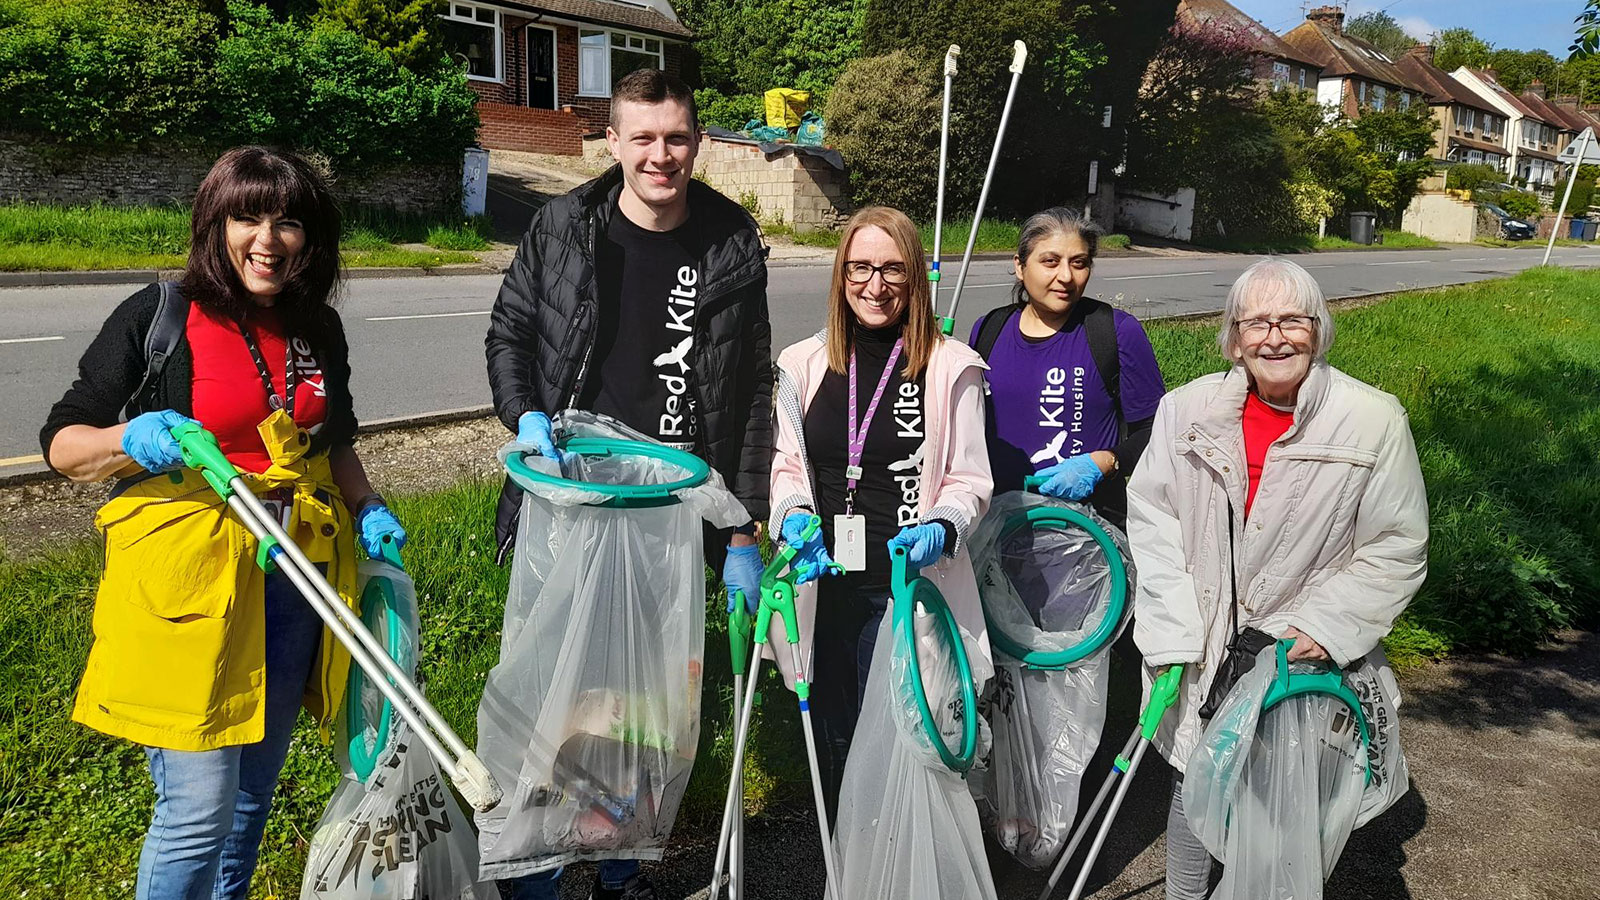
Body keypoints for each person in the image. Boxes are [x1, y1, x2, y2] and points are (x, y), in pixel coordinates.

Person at [40, 146, 402, 900]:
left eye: (288, 221)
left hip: (294, 583)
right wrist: (127, 441)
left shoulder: (317, 328)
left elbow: (334, 441)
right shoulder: (159, 315)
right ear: (216, 224)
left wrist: (367, 505)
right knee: (198, 813)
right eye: (247, 217)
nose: (268, 239)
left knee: (249, 799)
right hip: (192, 593)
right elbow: (64, 442)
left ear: (312, 237)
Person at [483, 68, 772, 900]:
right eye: (641, 137)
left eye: (675, 137)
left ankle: (620, 863)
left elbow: (753, 386)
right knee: (552, 690)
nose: (660, 155)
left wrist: (742, 526)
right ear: (611, 141)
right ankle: (534, 859)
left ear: (698, 141)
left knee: (648, 706)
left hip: (671, 517)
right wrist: (524, 415)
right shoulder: (566, 225)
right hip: (569, 504)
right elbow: (510, 333)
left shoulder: (729, 237)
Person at [1126, 257, 1428, 899]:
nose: (1274, 336)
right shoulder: (1185, 412)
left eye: (1292, 319)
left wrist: (1325, 625)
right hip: (1204, 642)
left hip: (1298, 653)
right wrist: (1175, 632)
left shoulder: (1372, 420)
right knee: (1192, 780)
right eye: (1255, 322)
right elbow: (1152, 521)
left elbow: (1396, 545)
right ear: (1234, 338)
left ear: (1318, 330)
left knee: (1282, 799)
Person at [767, 205, 994, 821]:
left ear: (916, 277)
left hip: (906, 590)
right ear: (840, 276)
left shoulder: (952, 367)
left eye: (893, 269)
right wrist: (791, 516)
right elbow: (786, 462)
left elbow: (971, 479)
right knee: (833, 739)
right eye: (860, 268)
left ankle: (895, 864)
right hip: (825, 581)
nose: (876, 285)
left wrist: (942, 526)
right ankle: (847, 862)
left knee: (900, 740)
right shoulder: (800, 364)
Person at [969, 207, 1164, 527]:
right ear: (1019, 266)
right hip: (999, 533)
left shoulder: (1115, 333)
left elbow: (1157, 431)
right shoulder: (988, 330)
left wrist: (1108, 461)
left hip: (1090, 537)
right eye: (1050, 261)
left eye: (1079, 263)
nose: (1066, 276)